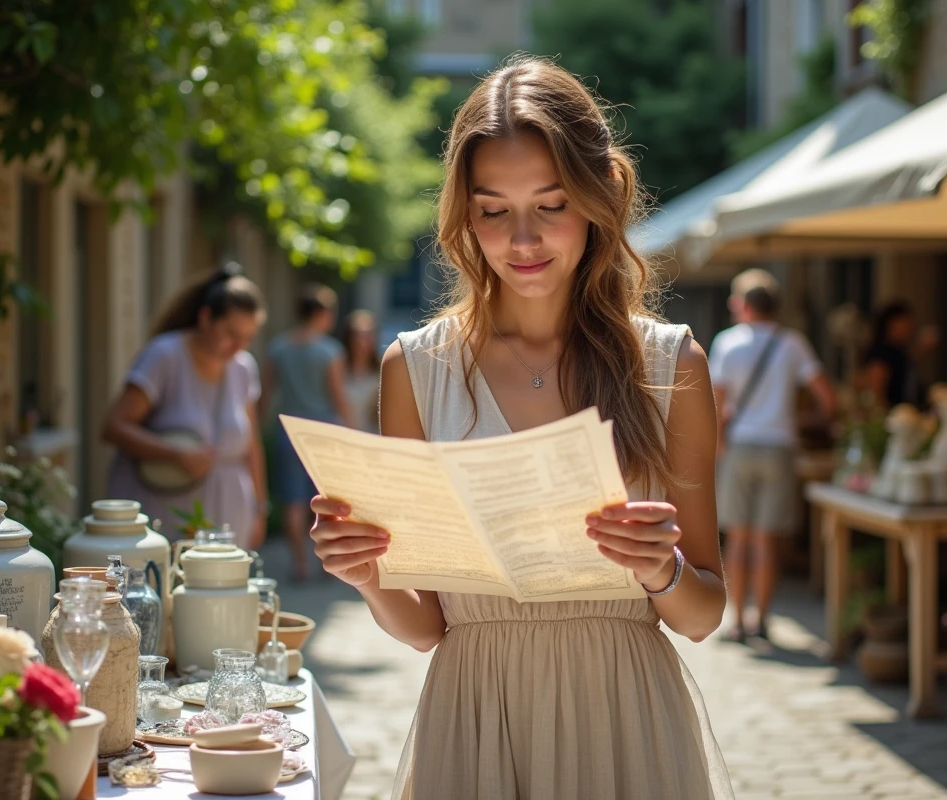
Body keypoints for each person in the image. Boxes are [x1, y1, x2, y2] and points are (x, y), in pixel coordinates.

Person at [309, 57, 733, 799]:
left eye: (552, 203)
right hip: (474, 721)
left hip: (626, 722)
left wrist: (660, 571)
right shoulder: (416, 369)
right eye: (494, 210)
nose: (524, 239)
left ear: (600, 196)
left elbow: (703, 613)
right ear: (464, 215)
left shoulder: (671, 365)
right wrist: (368, 576)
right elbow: (425, 628)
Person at [102, 264, 269, 550]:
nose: (238, 346)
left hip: (229, 519)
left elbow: (251, 444)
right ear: (206, 318)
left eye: (247, 337)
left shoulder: (243, 368)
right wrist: (175, 453)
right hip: (162, 513)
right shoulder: (164, 356)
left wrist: (260, 508)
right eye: (231, 333)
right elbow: (113, 427)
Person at [710, 268, 835, 643]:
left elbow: (717, 401)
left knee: (738, 538)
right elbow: (827, 396)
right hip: (780, 447)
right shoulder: (792, 343)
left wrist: (718, 444)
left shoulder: (727, 343)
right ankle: (761, 619)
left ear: (742, 305)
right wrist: (811, 419)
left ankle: (736, 621)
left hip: (739, 447)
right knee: (767, 541)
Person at [266, 284, 354, 581]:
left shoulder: (278, 347)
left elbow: (267, 393)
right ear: (322, 313)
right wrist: (352, 430)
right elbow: (338, 395)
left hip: (289, 429)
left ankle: (300, 563)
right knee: (327, 498)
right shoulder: (330, 350)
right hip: (324, 431)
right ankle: (329, 562)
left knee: (293, 499)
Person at [862, 300, 939, 409]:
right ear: (891, 324)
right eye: (905, 322)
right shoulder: (882, 352)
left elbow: (907, 363)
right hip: (895, 416)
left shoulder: (898, 350)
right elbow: (876, 389)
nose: (910, 327)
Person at [339, 309, 382, 433]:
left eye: (368, 335)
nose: (362, 342)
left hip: (372, 439)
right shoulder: (337, 369)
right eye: (357, 335)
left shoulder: (382, 371)